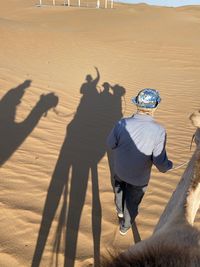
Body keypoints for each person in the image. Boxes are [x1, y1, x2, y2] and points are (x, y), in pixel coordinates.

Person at [107, 88, 173, 235]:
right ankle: (124, 227)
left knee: (119, 192)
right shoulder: (159, 131)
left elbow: (111, 144)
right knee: (132, 203)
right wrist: (169, 165)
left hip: (120, 170)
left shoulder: (121, 123)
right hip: (139, 179)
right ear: (155, 106)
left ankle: (120, 212)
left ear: (137, 104)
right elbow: (160, 163)